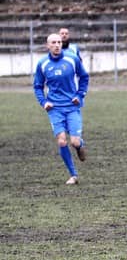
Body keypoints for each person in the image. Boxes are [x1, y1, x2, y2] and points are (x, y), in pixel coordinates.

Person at [33, 32, 90, 185]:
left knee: (74, 142)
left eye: (59, 42)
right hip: (55, 108)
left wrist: (80, 95)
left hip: (72, 106)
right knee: (62, 141)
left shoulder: (72, 59)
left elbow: (84, 77)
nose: (57, 45)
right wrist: (44, 102)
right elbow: (38, 86)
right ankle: (73, 175)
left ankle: (80, 146)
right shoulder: (42, 63)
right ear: (48, 45)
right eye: (53, 43)